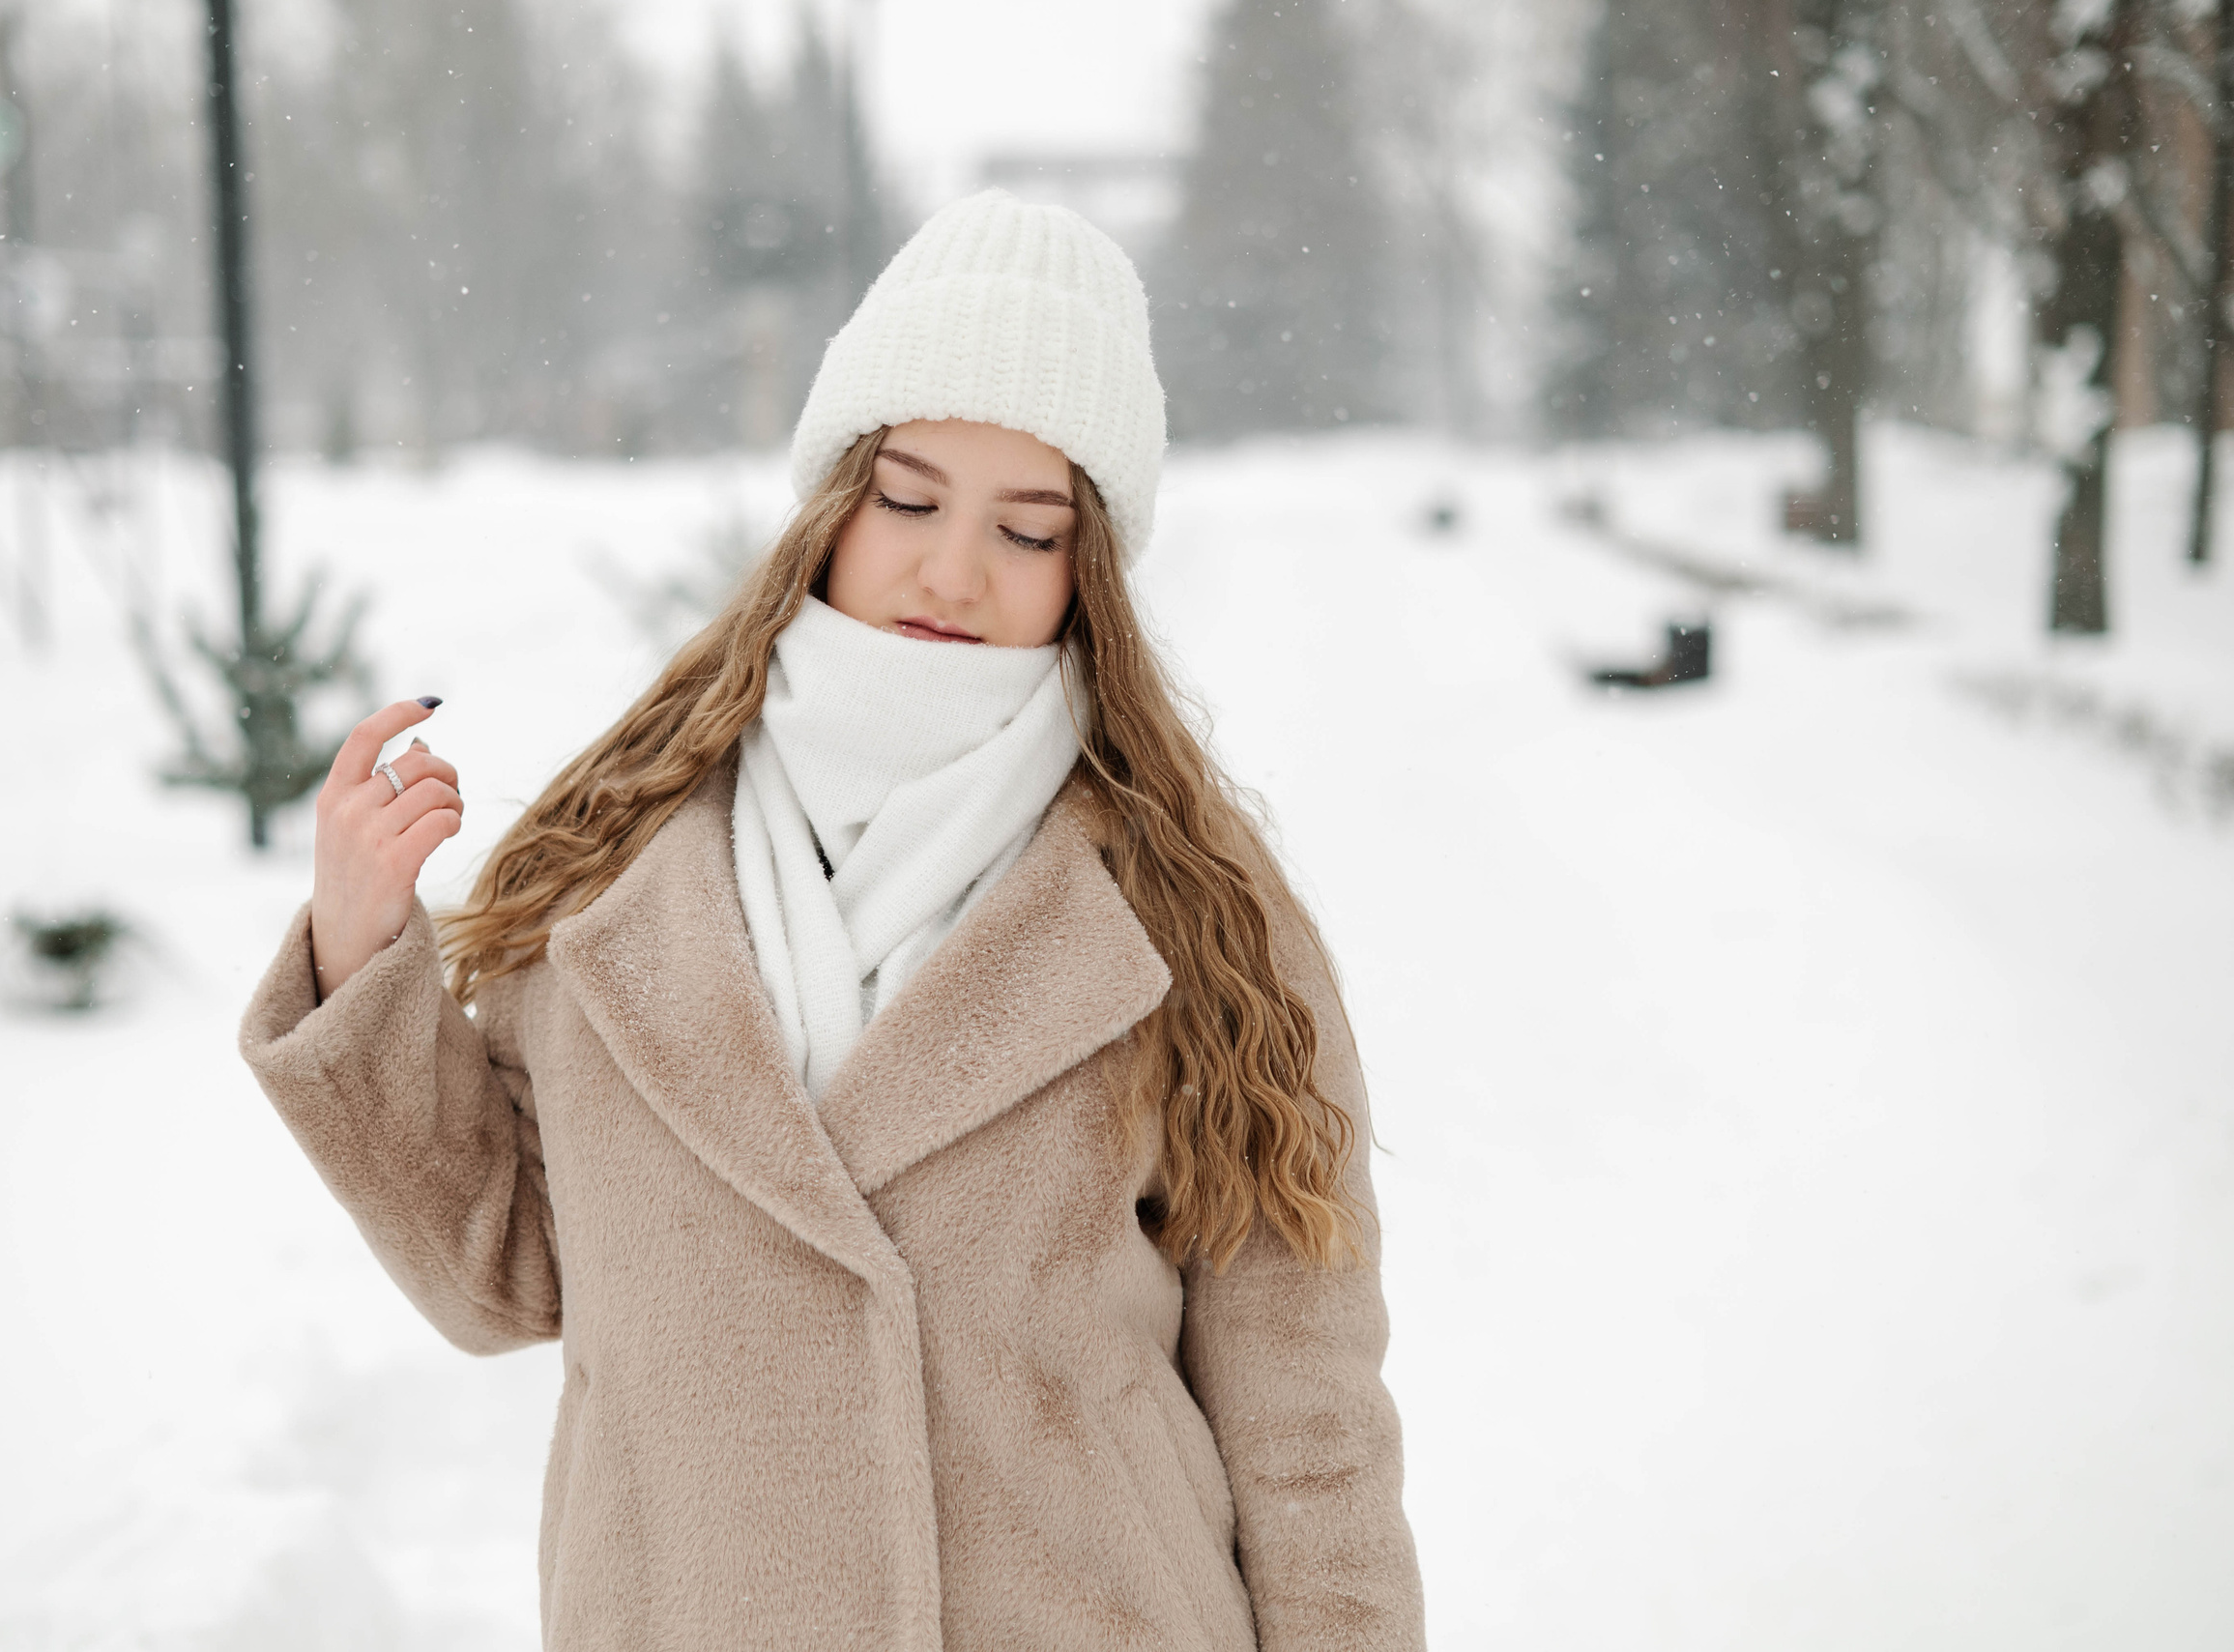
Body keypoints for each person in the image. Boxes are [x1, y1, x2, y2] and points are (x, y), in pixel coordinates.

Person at [240, 190, 1423, 1651]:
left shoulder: (1193, 913)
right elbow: (508, 1271)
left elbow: (1309, 1426)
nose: (952, 569)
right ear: (832, 501)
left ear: (1090, 570)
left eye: (1029, 527)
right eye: (910, 499)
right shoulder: (615, 867)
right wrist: (362, 965)